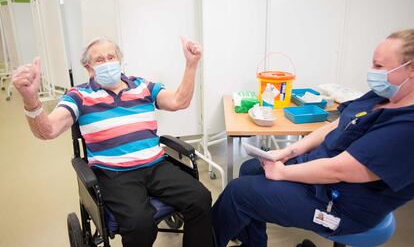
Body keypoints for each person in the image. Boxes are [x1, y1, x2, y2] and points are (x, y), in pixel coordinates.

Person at [212, 29, 414, 247]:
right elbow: (337, 124)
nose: (371, 72)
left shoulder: (407, 126)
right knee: (251, 168)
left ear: (411, 69)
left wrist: (284, 172)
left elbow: (341, 170)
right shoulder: (383, 96)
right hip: (320, 177)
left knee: (238, 193)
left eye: (379, 67)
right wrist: (288, 151)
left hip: (341, 206)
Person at [12, 37, 214, 247]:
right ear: (88, 67)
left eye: (111, 57)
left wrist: (192, 63)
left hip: (156, 165)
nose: (107, 63)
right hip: (114, 174)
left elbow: (178, 100)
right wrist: (30, 98)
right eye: (99, 60)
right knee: (139, 223)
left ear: (119, 60)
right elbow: (48, 130)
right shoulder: (79, 95)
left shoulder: (142, 86)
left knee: (200, 198)